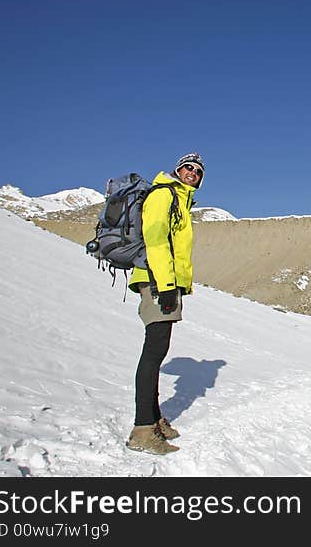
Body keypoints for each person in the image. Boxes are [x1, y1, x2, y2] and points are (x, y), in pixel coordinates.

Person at [125, 152, 205, 455]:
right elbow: (155, 237)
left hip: (165, 281)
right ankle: (142, 429)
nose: (193, 173)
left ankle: (154, 419)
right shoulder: (164, 195)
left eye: (198, 170)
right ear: (177, 170)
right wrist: (167, 285)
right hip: (158, 280)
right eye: (188, 167)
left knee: (158, 350)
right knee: (154, 349)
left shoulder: (181, 201)